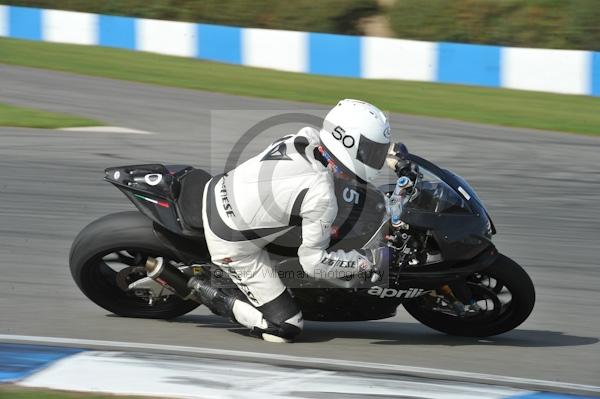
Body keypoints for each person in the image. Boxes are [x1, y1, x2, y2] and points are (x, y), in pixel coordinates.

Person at [191, 99, 401, 342]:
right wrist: (366, 263)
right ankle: (207, 289)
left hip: (220, 189)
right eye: (372, 151)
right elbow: (313, 263)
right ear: (349, 144)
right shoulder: (321, 194)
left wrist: (392, 156)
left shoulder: (306, 137)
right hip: (231, 241)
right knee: (285, 328)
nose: (376, 157)